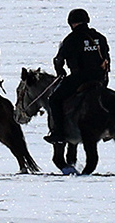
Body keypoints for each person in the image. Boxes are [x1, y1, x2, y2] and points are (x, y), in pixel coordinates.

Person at [44, 9, 111, 144]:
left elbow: (59, 60)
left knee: (54, 100)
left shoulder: (71, 39)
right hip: (100, 79)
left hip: (79, 79)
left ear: (71, 23)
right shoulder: (100, 37)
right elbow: (107, 57)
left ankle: (59, 133)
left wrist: (60, 72)